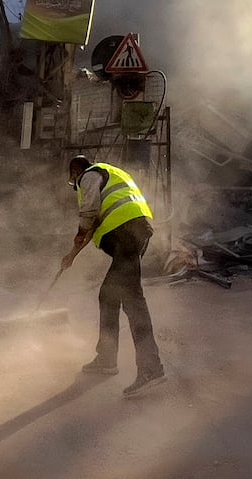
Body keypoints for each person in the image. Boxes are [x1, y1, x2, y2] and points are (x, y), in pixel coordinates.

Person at [61, 154, 165, 397]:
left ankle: (151, 368)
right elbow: (96, 223)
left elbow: (88, 213)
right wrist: (72, 255)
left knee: (133, 302)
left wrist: (78, 234)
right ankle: (107, 358)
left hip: (126, 236)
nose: (75, 184)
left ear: (76, 171)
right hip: (134, 234)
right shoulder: (112, 176)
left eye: (73, 179)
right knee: (109, 295)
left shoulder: (89, 175)